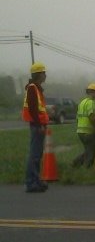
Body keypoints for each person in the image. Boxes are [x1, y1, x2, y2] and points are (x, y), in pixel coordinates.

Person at [22, 62, 49, 193]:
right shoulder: (33, 88)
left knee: (37, 155)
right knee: (34, 155)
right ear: (39, 74)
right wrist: (39, 125)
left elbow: (38, 108)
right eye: (44, 73)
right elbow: (33, 109)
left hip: (39, 125)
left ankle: (36, 180)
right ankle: (31, 182)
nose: (45, 75)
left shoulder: (36, 88)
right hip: (36, 126)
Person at [73, 83, 95, 168]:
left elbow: (78, 118)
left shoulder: (82, 102)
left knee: (88, 150)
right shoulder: (91, 103)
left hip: (81, 132)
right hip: (88, 132)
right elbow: (92, 118)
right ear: (91, 92)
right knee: (91, 153)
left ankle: (75, 163)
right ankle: (86, 169)